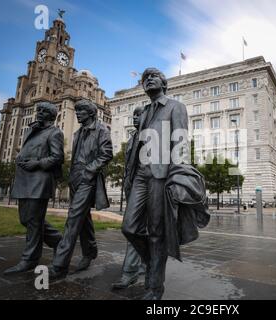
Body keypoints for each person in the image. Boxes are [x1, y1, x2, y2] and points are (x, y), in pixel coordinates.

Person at [122, 67, 194, 300]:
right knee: (129, 227)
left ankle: (154, 286)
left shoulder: (175, 107)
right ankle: (153, 263)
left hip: (161, 176)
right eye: (145, 78)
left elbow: (181, 145)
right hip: (141, 175)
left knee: (156, 233)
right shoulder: (143, 114)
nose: (148, 80)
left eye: (153, 76)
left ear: (164, 83)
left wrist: (179, 179)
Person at [49, 99, 113, 279]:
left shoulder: (101, 130)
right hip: (75, 179)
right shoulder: (78, 133)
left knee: (73, 218)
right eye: (77, 111)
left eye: (81, 112)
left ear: (91, 113)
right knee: (83, 218)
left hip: (88, 179)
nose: (78, 114)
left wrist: (89, 171)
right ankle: (90, 251)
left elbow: (106, 154)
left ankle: (59, 265)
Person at [4, 102, 63, 274]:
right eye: (39, 110)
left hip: (39, 181)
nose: (39, 113)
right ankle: (58, 241)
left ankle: (29, 259)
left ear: (52, 115)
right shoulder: (31, 130)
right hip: (25, 180)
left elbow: (57, 157)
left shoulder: (55, 132)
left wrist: (36, 163)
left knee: (33, 222)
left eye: (44, 111)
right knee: (26, 220)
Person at [112, 106, 146, 290]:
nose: (135, 118)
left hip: (146, 190)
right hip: (132, 188)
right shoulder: (133, 137)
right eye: (133, 115)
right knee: (140, 229)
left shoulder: (152, 135)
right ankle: (147, 263)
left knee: (131, 228)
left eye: (138, 115)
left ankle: (129, 272)